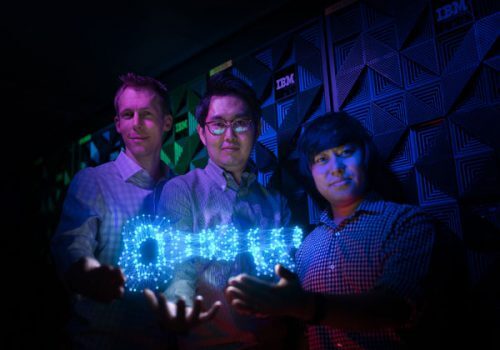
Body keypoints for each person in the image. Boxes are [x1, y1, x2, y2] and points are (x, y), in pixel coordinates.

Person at [226, 111, 461, 349]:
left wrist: (305, 305)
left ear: (365, 157)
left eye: (345, 153)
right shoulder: (308, 247)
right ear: (310, 171)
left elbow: (397, 307)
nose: (335, 168)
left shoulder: (406, 223)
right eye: (321, 159)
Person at [51, 73, 219, 350]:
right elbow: (70, 247)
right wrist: (91, 274)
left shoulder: (183, 190)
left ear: (167, 122)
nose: (136, 124)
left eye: (147, 114)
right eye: (127, 115)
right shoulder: (94, 181)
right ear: (117, 124)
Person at [157, 71, 293, 349]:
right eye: (218, 124)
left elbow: (287, 276)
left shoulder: (276, 203)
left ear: (256, 129)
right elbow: (177, 272)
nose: (229, 135)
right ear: (202, 133)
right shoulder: (181, 191)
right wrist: (178, 306)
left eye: (240, 123)